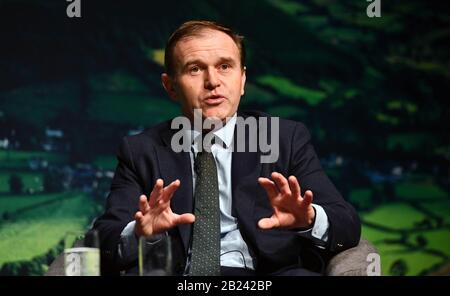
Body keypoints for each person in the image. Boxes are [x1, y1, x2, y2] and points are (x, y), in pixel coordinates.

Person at [93, 20, 361, 276]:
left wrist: (309, 218)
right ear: (170, 86)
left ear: (242, 80)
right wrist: (140, 233)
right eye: (195, 69)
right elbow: (104, 238)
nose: (213, 81)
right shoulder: (140, 150)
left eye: (225, 66)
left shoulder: (284, 139)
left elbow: (346, 224)